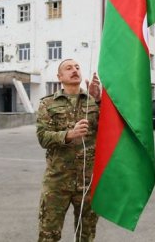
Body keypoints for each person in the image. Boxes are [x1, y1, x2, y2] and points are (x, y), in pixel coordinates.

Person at [36, 59, 101, 242]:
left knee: (86, 235)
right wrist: (69, 134)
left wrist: (100, 100)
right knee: (48, 234)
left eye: (77, 67)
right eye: (69, 68)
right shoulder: (48, 104)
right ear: (59, 77)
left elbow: (110, 131)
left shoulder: (93, 102)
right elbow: (43, 137)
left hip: (87, 182)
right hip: (57, 182)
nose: (74, 70)